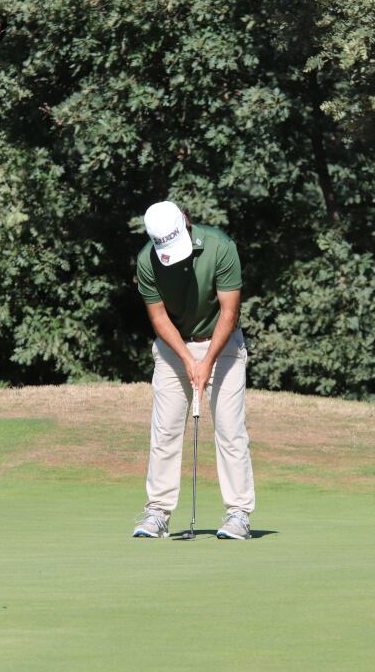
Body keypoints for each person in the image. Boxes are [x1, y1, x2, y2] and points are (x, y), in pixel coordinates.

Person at [131, 200, 255, 540]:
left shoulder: (221, 248)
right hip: (173, 348)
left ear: (186, 223)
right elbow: (158, 318)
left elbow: (228, 314)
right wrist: (188, 359)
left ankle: (239, 514)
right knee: (165, 430)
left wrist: (207, 361)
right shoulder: (147, 260)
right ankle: (157, 512)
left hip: (223, 342)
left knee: (230, 431)